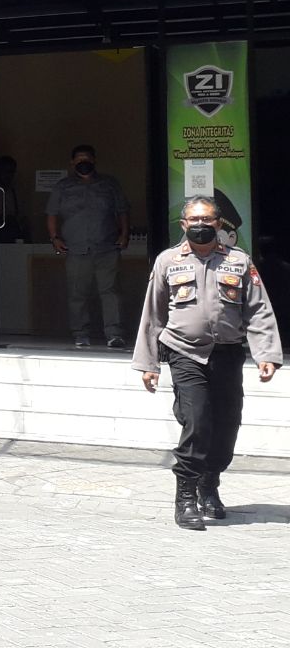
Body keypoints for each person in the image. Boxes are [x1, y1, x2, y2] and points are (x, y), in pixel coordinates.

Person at [132, 195, 282, 530]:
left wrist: (266, 354)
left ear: (219, 224)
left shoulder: (239, 262)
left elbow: (258, 309)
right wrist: (149, 363)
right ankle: (185, 497)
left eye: (208, 220)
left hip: (227, 353)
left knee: (227, 425)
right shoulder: (168, 261)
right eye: (194, 220)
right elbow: (152, 314)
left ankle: (209, 484)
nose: (201, 226)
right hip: (185, 352)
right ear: (183, 224)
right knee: (197, 421)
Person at [45, 144, 130, 349]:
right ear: (72, 162)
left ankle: (114, 334)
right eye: (79, 159)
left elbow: (122, 211)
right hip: (75, 248)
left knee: (110, 292)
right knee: (77, 293)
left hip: (107, 246)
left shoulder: (109, 184)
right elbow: (51, 213)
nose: (84, 162)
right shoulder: (63, 186)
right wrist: (54, 238)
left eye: (88, 158)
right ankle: (81, 334)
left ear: (94, 161)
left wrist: (124, 234)